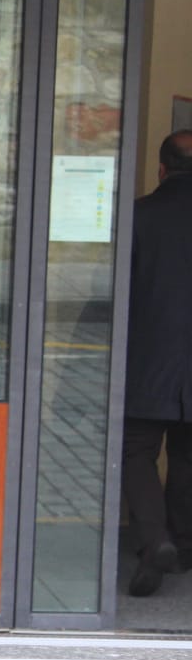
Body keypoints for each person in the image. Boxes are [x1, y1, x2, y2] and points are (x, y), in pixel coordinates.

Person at [123, 130, 192, 597]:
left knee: (135, 451)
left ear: (162, 169)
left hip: (148, 360)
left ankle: (155, 539)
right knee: (188, 455)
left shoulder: (138, 217)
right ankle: (182, 545)